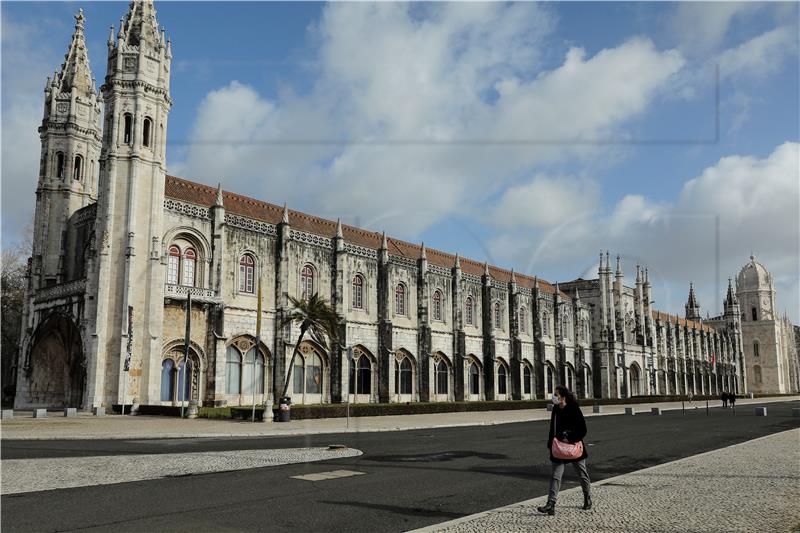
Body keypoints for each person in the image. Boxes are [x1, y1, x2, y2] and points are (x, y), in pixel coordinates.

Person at [537, 385, 592, 516]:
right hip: (558, 447)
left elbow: (583, 429)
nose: (554, 397)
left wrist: (570, 438)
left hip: (573, 447)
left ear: (563, 397)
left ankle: (587, 497)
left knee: (582, 474)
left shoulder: (574, 408)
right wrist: (550, 444)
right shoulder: (556, 409)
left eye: (556, 395)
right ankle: (551, 504)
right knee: (555, 476)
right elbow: (553, 428)